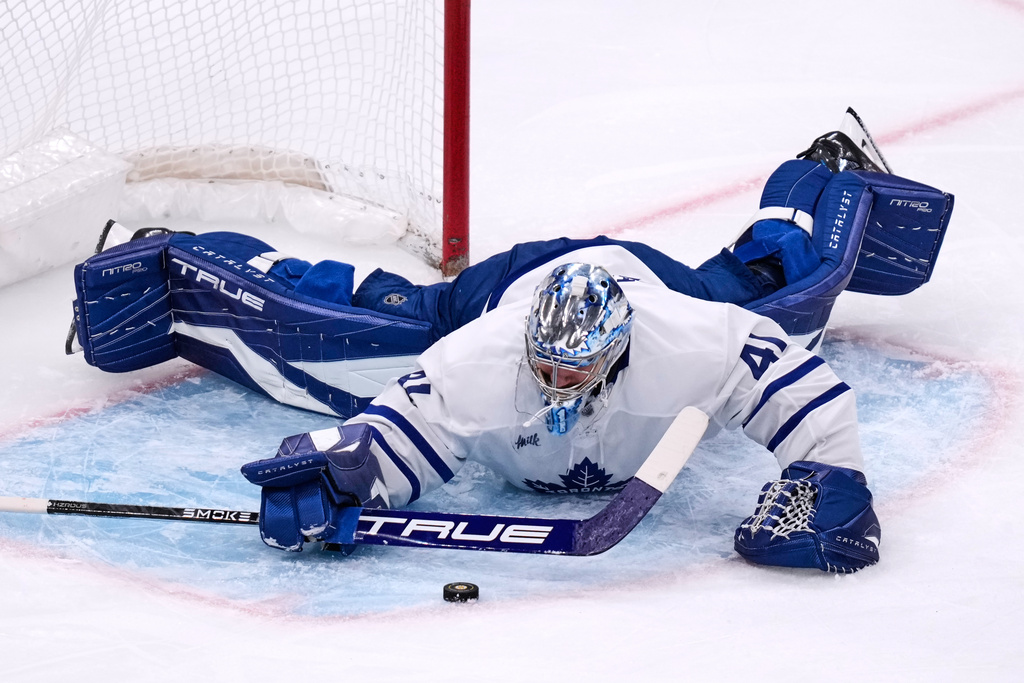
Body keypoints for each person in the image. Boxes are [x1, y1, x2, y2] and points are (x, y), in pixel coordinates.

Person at [70, 111, 953, 572]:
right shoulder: (484, 353)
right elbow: (392, 434)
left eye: (579, 367)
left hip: (645, 276)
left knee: (786, 297)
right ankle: (181, 263)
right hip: (505, 289)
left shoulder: (689, 334)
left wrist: (831, 479)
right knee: (351, 337)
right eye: (548, 366)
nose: (559, 381)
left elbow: (804, 390)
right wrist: (344, 470)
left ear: (619, 350)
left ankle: (826, 175)